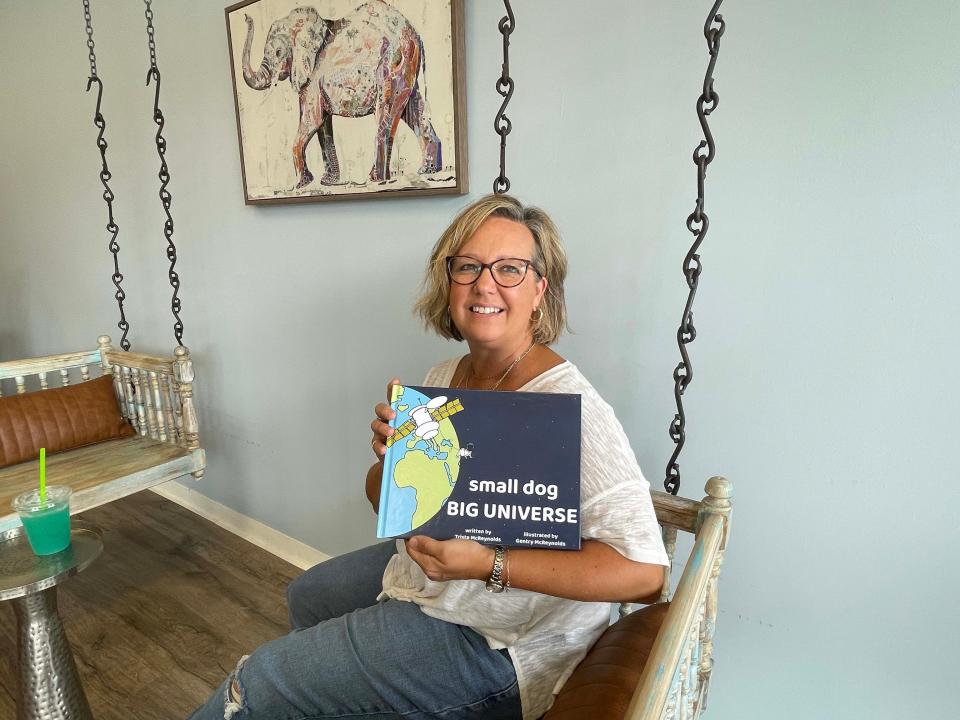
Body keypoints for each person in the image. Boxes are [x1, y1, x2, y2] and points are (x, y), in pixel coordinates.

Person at [188, 194, 668, 720]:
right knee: (309, 593)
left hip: (505, 639)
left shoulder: (569, 408)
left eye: (510, 269)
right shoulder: (444, 380)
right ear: (450, 281)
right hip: (445, 578)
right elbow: (395, 507)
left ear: (538, 289)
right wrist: (390, 465)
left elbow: (644, 574)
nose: (486, 284)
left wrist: (490, 563)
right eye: (469, 267)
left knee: (257, 682)